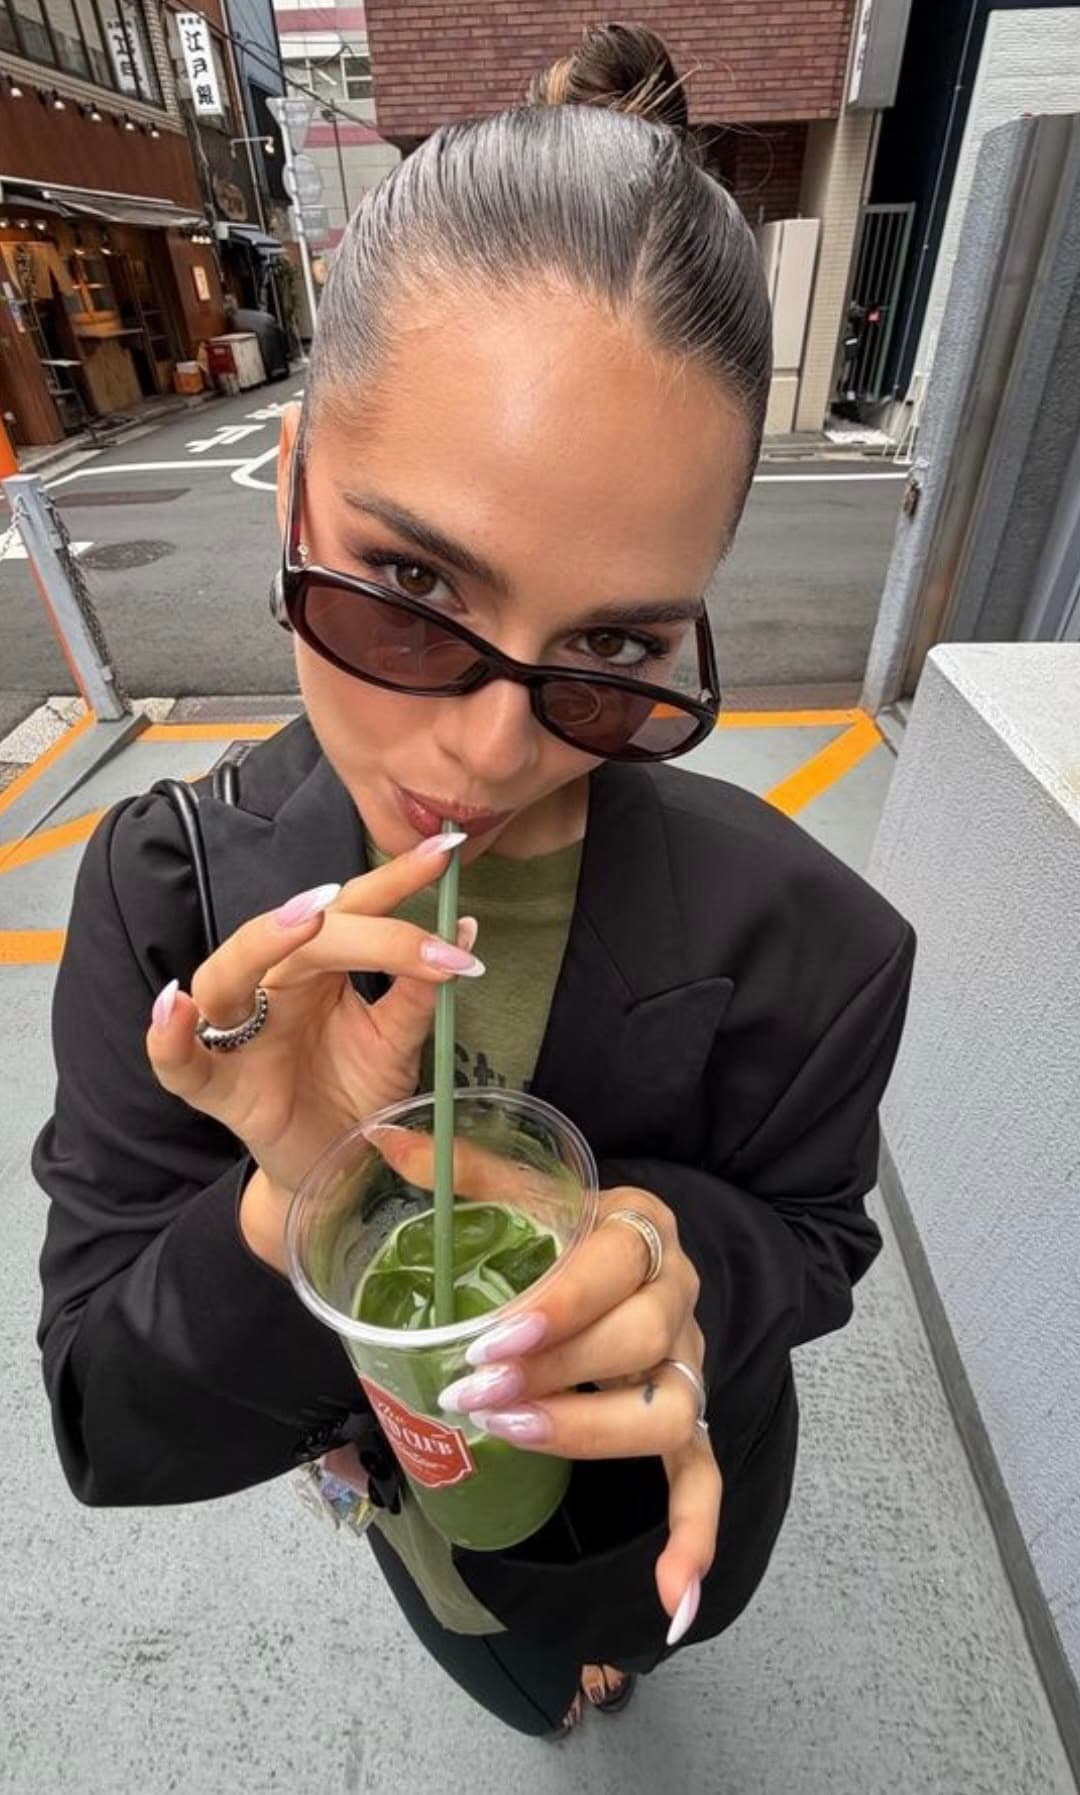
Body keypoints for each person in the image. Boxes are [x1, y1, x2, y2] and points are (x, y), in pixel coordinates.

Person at [32, 22, 915, 1746]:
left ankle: (600, 1651)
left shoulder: (814, 941)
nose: (494, 749)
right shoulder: (171, 901)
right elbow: (107, 1424)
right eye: (412, 587)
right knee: (509, 1660)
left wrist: (665, 1250)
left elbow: (819, 1240)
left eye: (613, 651)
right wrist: (292, 1202)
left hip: (667, 1518)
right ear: (291, 485)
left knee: (615, 1646)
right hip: (424, 1528)